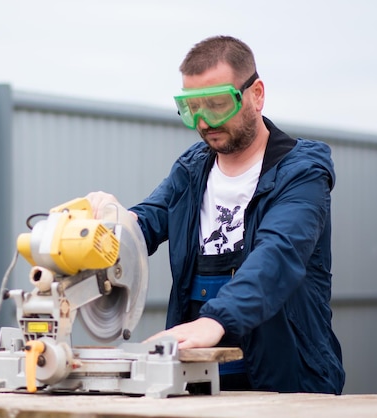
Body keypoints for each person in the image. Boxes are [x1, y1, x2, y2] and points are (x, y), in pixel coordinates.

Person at [87, 35, 345, 394]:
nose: (204, 122)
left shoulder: (301, 173)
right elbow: (147, 221)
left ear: (256, 94)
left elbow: (278, 255)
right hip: (199, 382)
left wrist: (214, 320)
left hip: (289, 381)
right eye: (192, 109)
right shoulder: (193, 169)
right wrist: (110, 226)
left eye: (218, 104)